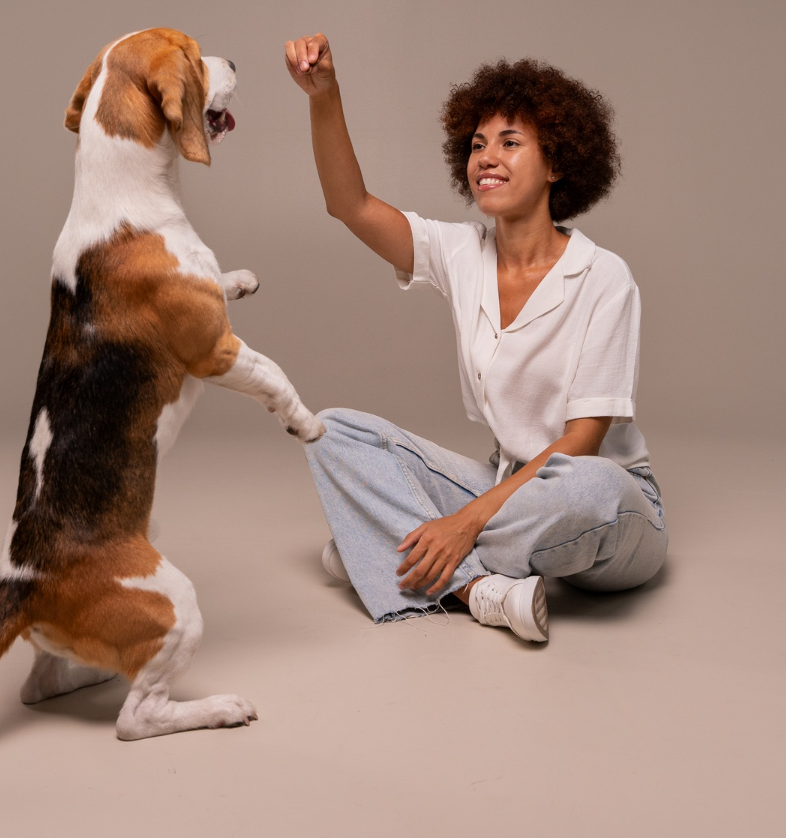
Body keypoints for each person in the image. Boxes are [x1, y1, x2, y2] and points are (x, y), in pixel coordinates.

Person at [285, 33, 666, 643]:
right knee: (330, 428)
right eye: (477, 144)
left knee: (585, 488)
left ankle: (381, 552)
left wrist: (462, 522)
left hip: (607, 509)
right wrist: (323, 95)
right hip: (502, 485)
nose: (487, 156)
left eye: (510, 143)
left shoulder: (603, 276)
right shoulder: (461, 253)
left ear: (558, 162)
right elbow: (349, 205)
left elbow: (582, 443)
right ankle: (477, 588)